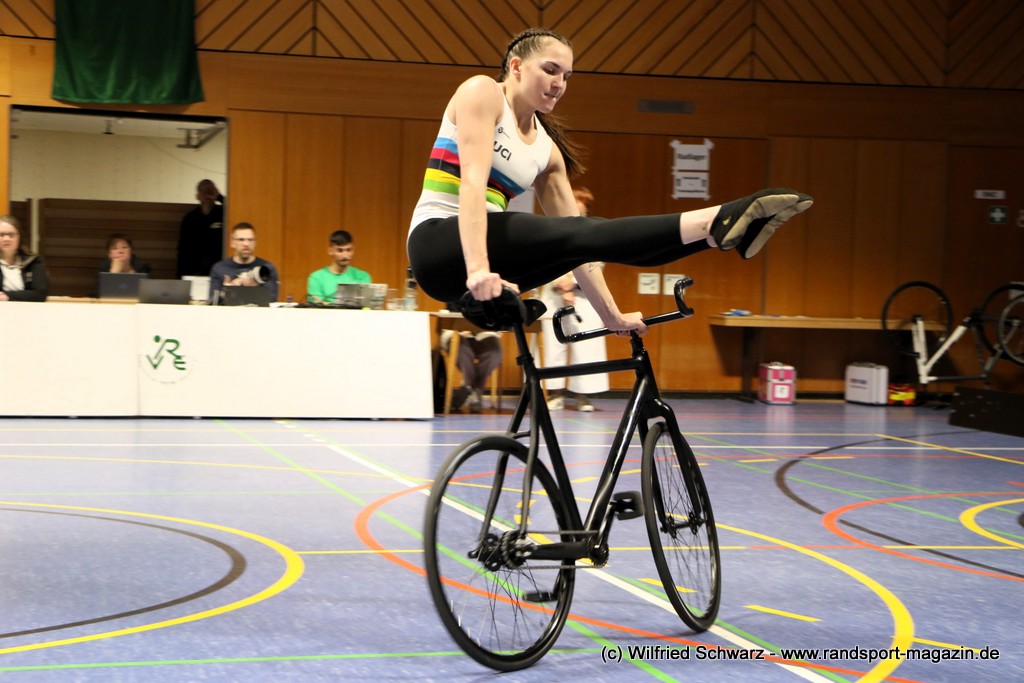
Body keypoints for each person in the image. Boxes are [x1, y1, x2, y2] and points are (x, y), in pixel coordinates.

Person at [406, 28, 813, 338]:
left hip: (488, 265)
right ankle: (714, 220)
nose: (559, 83)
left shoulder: (547, 153)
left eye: (567, 76)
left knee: (583, 237)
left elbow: (583, 246)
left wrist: (611, 316)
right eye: (550, 70)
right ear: (515, 67)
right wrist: (478, 269)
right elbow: (472, 184)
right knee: (578, 232)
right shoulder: (481, 92)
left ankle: (714, 236)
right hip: (439, 245)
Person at [540, 187, 607, 412]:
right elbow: (544, 261)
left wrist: (574, 283)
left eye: (583, 210)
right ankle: (555, 394)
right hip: (553, 296)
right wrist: (561, 283)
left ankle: (583, 396)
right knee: (553, 346)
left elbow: (597, 263)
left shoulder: (595, 233)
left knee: (586, 346)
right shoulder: (550, 232)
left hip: (585, 297)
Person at [209, 222, 279, 303]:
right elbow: (211, 301)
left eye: (250, 240)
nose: (246, 244)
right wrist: (227, 291)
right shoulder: (219, 268)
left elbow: (272, 300)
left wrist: (254, 290)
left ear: (255, 242)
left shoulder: (266, 269)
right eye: (241, 240)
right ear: (232, 243)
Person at [439, 329, 503, 413]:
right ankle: (475, 389)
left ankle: (468, 386)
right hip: (456, 333)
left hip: (485, 334)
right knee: (461, 348)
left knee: (494, 353)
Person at [307, 230, 373, 304]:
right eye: (340, 250)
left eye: (349, 250)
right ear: (330, 250)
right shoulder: (317, 278)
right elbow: (317, 306)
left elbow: (366, 305)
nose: (345, 255)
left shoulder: (362, 277)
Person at [177, 178, 225, 277]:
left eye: (209, 190)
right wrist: (180, 275)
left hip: (219, 267)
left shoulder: (224, 214)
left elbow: (237, 209)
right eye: (203, 191)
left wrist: (219, 197)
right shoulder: (190, 218)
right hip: (194, 268)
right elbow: (183, 249)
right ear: (197, 196)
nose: (206, 193)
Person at [0, 215, 50, 302]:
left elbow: (40, 294)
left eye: (11, 235)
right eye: (1, 235)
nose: (6, 239)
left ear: (19, 237)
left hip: (28, 309)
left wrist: (7, 296)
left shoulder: (33, 261)